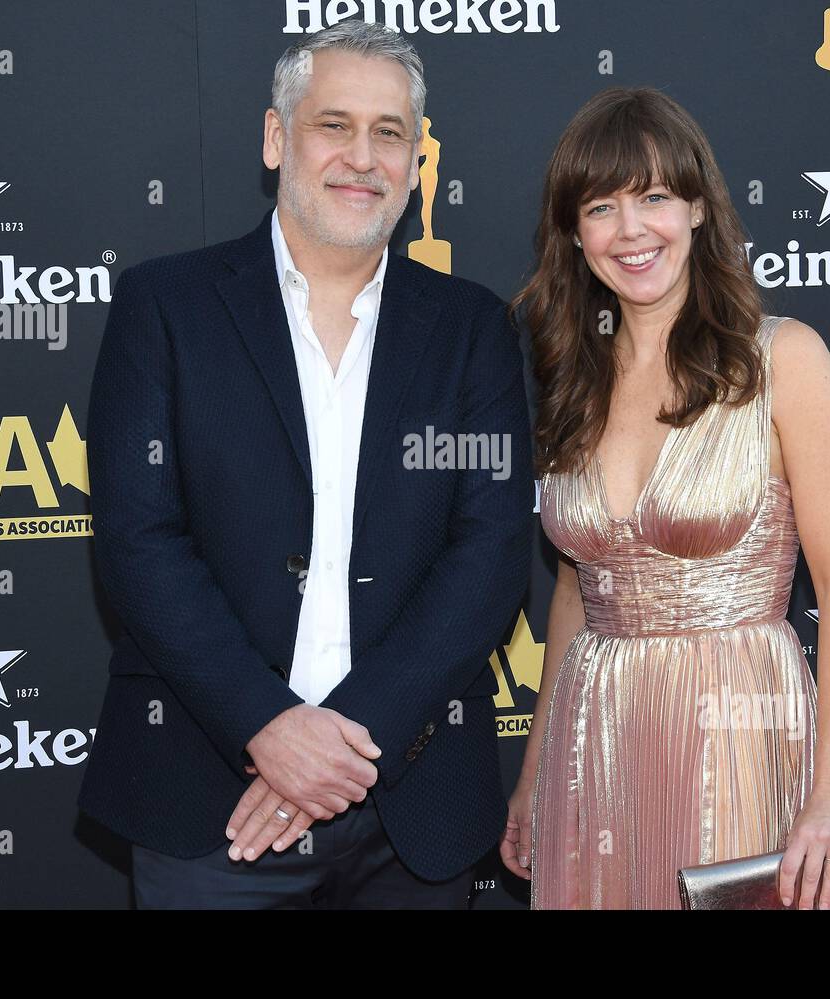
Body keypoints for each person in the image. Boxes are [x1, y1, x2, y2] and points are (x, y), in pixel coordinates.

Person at [77, 19, 532, 909]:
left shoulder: (473, 329)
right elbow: (138, 540)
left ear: (415, 157)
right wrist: (266, 728)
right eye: (335, 125)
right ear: (278, 137)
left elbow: (489, 557)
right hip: (210, 802)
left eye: (389, 132)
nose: (363, 157)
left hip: (416, 806)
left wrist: (341, 745)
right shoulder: (165, 306)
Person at [499, 87, 830, 909]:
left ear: (699, 208)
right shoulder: (572, 382)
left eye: (655, 197)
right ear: (573, 231)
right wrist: (534, 770)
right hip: (594, 746)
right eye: (601, 206)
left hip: (740, 733)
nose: (631, 230)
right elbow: (576, 591)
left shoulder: (785, 362)